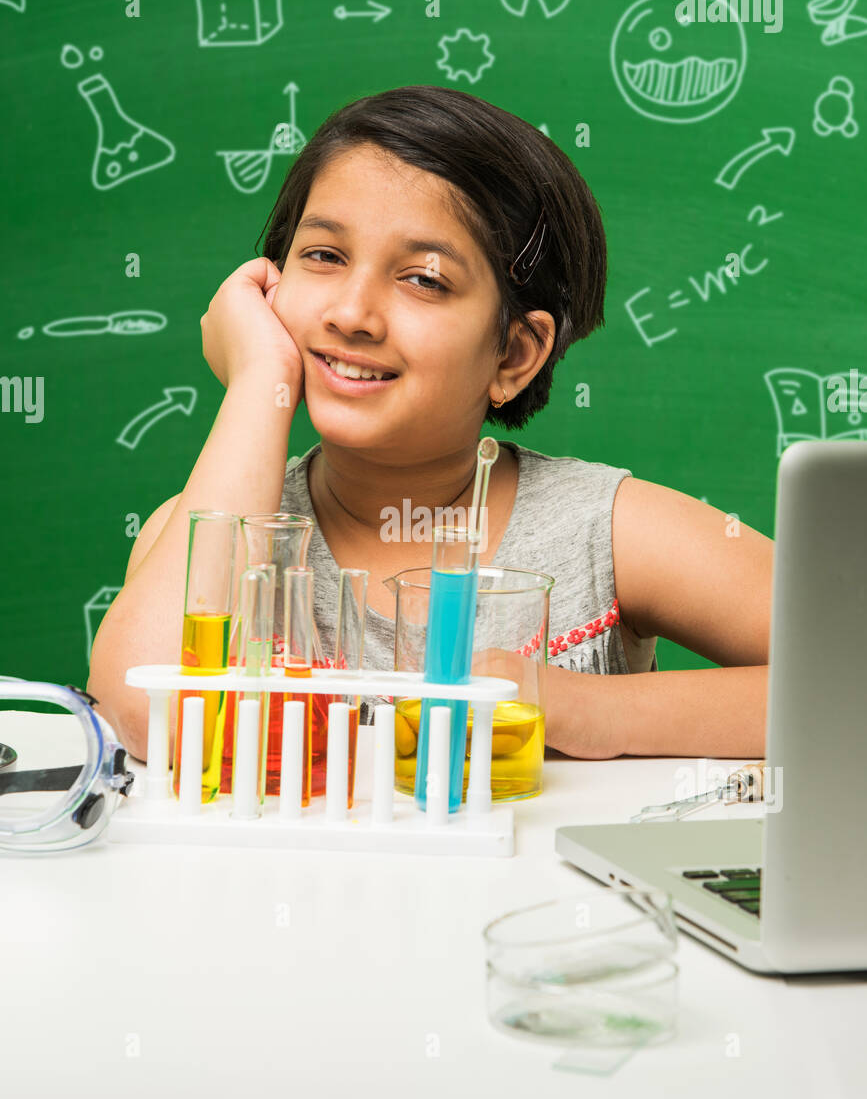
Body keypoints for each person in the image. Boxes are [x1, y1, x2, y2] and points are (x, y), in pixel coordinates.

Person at [87, 84, 772, 764]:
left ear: (511, 354)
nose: (352, 313)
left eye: (423, 279)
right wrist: (258, 382)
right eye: (324, 256)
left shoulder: (603, 531)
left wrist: (589, 713)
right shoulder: (206, 526)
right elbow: (148, 718)